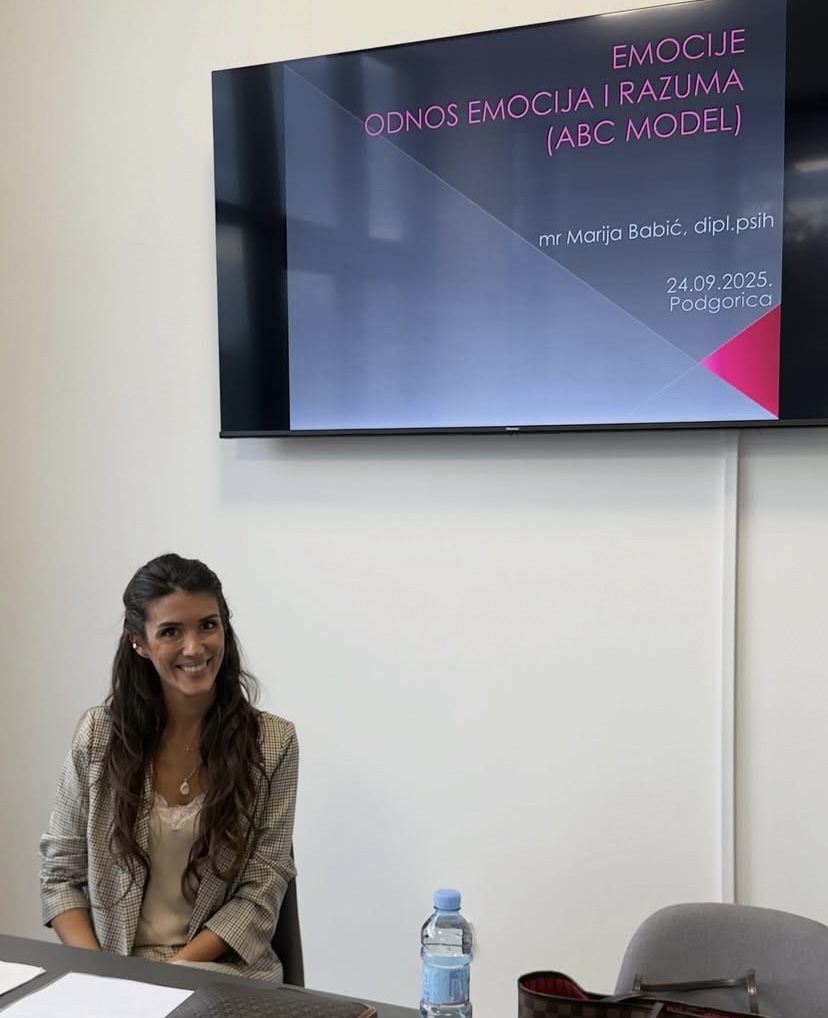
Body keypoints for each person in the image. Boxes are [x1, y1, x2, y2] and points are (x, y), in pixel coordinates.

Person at [39, 553, 298, 982]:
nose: (194, 648)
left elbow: (263, 887)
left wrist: (169, 978)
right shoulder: (98, 736)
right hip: (112, 972)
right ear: (139, 643)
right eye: (171, 631)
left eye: (208, 625)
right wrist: (102, 977)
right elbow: (60, 875)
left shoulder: (273, 743)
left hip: (222, 973)